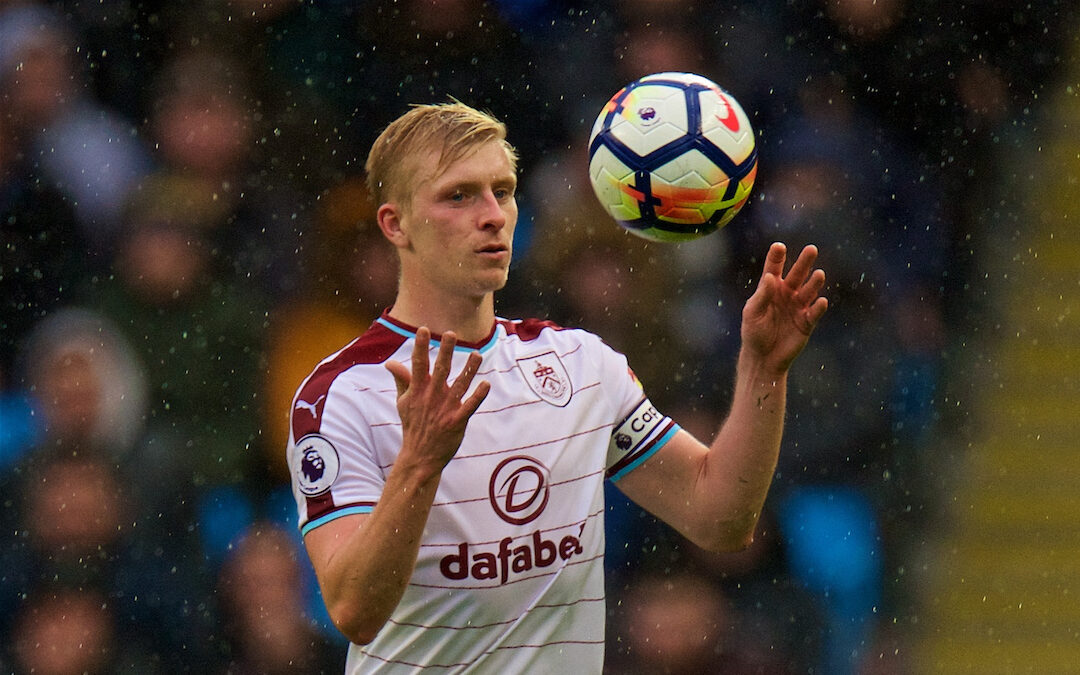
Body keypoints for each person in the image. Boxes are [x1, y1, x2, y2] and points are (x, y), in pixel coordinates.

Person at [285, 101, 828, 673]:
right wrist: (419, 463)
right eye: (458, 196)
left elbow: (719, 519)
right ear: (394, 224)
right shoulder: (340, 396)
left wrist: (763, 371)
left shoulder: (579, 364)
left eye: (504, 190)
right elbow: (353, 610)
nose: (493, 214)